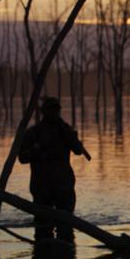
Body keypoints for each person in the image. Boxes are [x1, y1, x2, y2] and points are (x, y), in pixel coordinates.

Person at [19, 97, 90, 243]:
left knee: (66, 230)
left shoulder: (64, 130)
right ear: (43, 111)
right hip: (42, 186)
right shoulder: (33, 133)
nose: (54, 112)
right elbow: (22, 158)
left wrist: (71, 135)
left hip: (63, 185)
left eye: (56, 109)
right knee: (42, 230)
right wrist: (38, 148)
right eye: (50, 109)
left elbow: (78, 150)